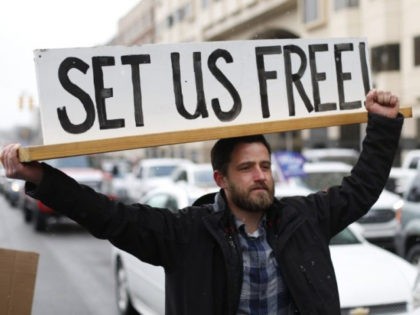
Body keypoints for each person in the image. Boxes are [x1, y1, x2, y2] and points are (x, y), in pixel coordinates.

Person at [1, 89, 402, 315]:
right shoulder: (186, 233)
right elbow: (110, 216)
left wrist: (382, 124)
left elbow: (361, 187)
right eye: (246, 168)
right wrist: (41, 178)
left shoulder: (305, 218)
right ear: (220, 179)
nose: (261, 175)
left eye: (265, 165)